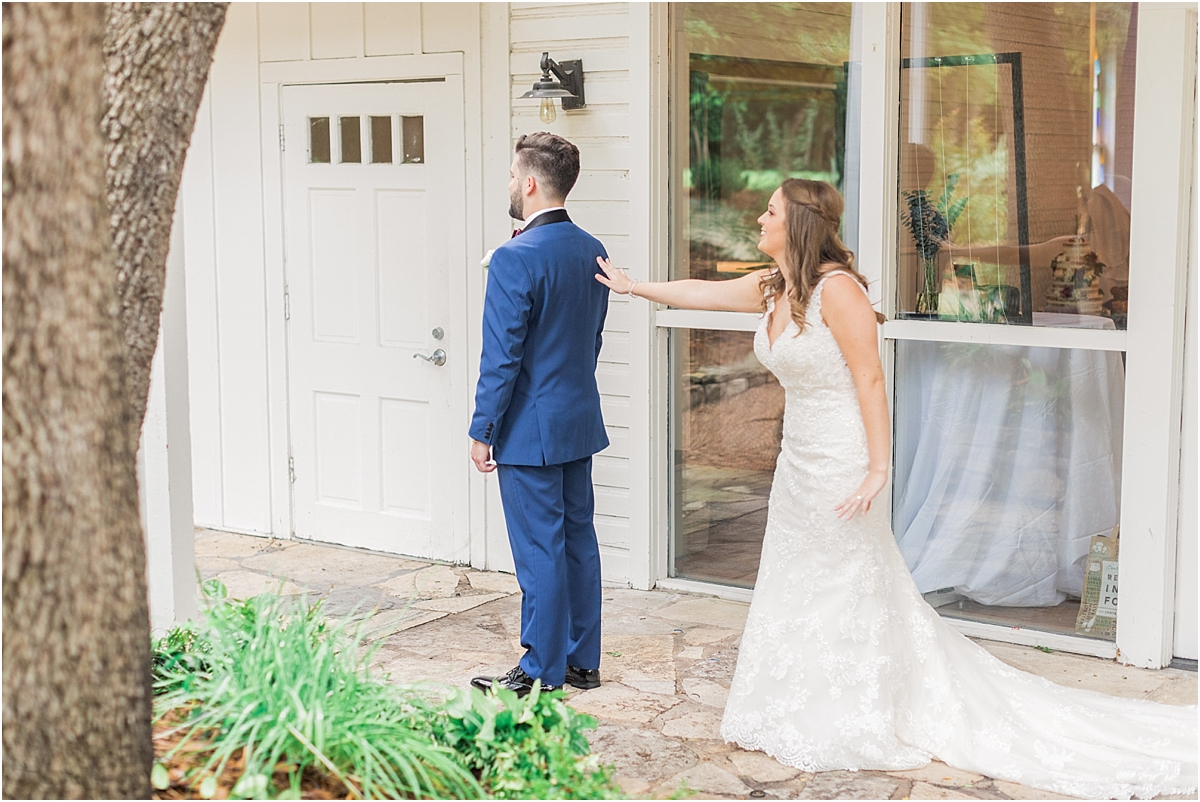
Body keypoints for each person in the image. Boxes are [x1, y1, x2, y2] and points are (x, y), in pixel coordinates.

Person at [594, 178, 1196, 799]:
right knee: (797, 577)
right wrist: (634, 287)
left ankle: (857, 706)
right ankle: (793, 701)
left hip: (842, 457)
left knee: (845, 577)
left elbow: (870, 381)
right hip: (798, 459)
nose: (758, 218)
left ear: (796, 223)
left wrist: (878, 469)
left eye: (769, 211)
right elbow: (707, 292)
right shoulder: (776, 286)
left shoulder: (839, 291)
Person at [468, 132, 609, 698]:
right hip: (577, 416)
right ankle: (581, 662)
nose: (507, 184)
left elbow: (501, 358)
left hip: (529, 428)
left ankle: (539, 669)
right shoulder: (593, 248)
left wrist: (483, 429)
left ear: (529, 182)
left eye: (510, 175)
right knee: (578, 540)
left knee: (538, 550)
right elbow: (589, 340)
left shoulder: (514, 258)